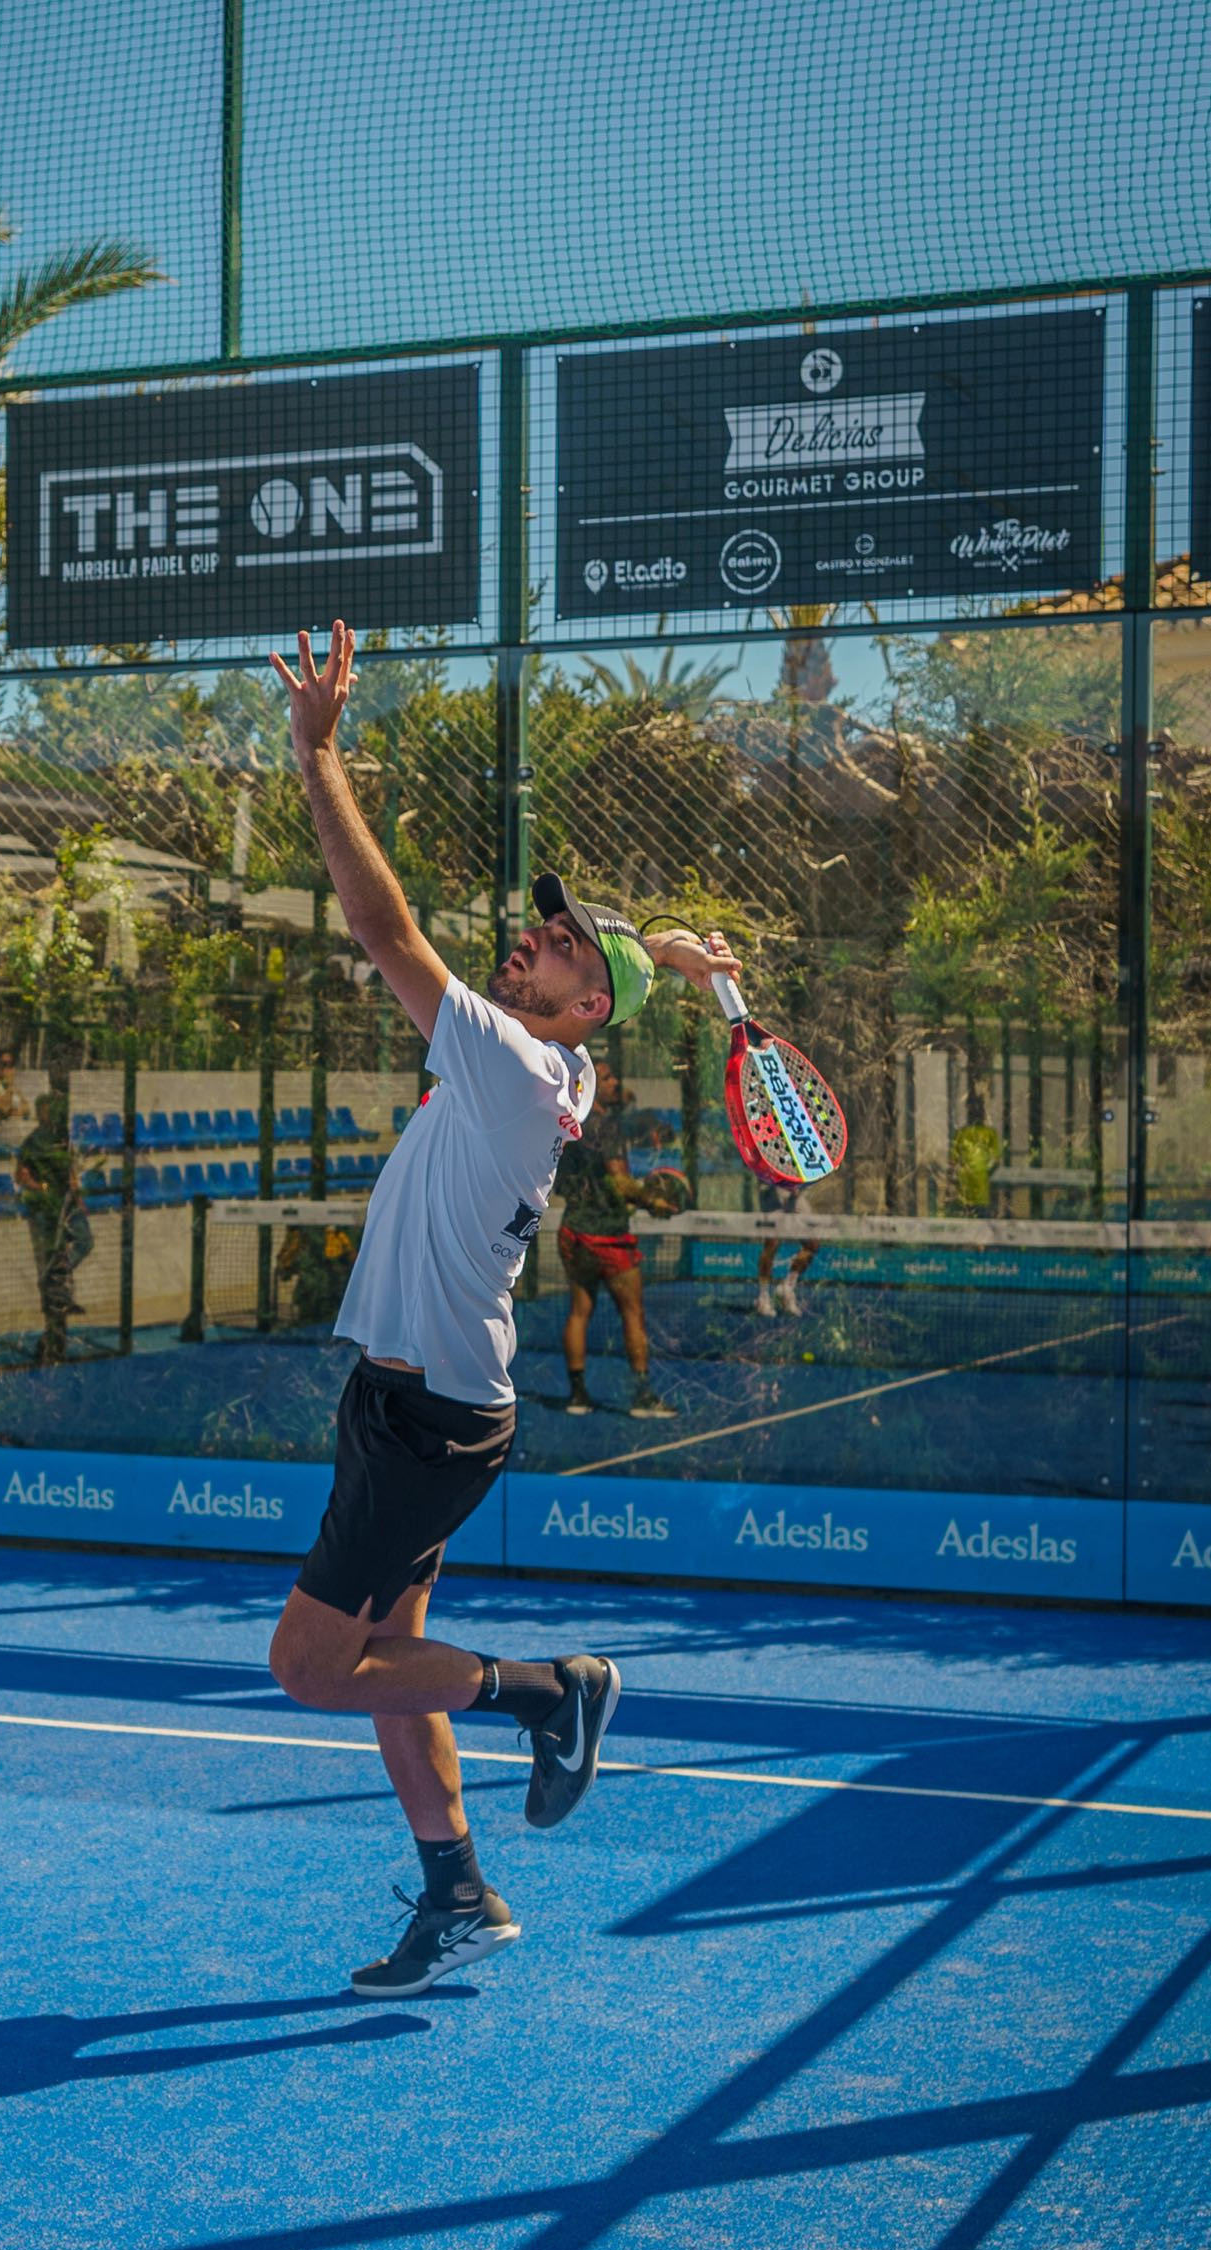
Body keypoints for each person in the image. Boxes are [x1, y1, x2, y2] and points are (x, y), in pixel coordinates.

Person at [266, 622, 739, 1997]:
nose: (532, 938)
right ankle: (457, 1890)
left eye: (560, 943)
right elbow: (602, 988)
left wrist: (318, 753)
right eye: (546, 928)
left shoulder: (521, 1066)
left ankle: (548, 1690)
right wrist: (670, 957)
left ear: (582, 1002)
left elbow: (381, 927)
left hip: (429, 1417)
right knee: (391, 1657)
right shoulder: (557, 1061)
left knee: (313, 1667)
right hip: (418, 1401)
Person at [557, 1067, 679, 1419]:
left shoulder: (570, 1123)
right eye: (607, 1078)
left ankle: (577, 1396)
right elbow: (621, 1182)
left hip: (573, 1231)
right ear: (591, 1085)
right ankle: (642, 1398)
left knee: (579, 1311)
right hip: (607, 1236)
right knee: (633, 1313)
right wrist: (652, 1202)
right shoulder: (607, 1128)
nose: (615, 1082)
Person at [14, 1093, 93, 1351]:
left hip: (66, 1205)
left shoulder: (63, 1139)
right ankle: (52, 1330)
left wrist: (77, 1197)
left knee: (84, 1241)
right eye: (47, 1110)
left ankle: (57, 1274)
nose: (51, 1114)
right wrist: (42, 1188)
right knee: (46, 1259)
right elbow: (20, 1175)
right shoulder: (32, 1142)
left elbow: (71, 1172)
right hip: (43, 1209)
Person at [754, 1183, 819, 1318]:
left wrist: (799, 1187)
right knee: (772, 1243)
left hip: (795, 1196)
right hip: (772, 1193)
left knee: (812, 1244)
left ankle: (787, 1288)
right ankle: (763, 1297)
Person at [0, 1048, 29, 1151]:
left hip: (16, 1126)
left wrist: (16, 1112)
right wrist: (9, 1086)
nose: (7, 1068)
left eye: (10, 1064)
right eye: (4, 1064)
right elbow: (3, 1108)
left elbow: (27, 1108)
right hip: (1, 1130)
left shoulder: (13, 1088)